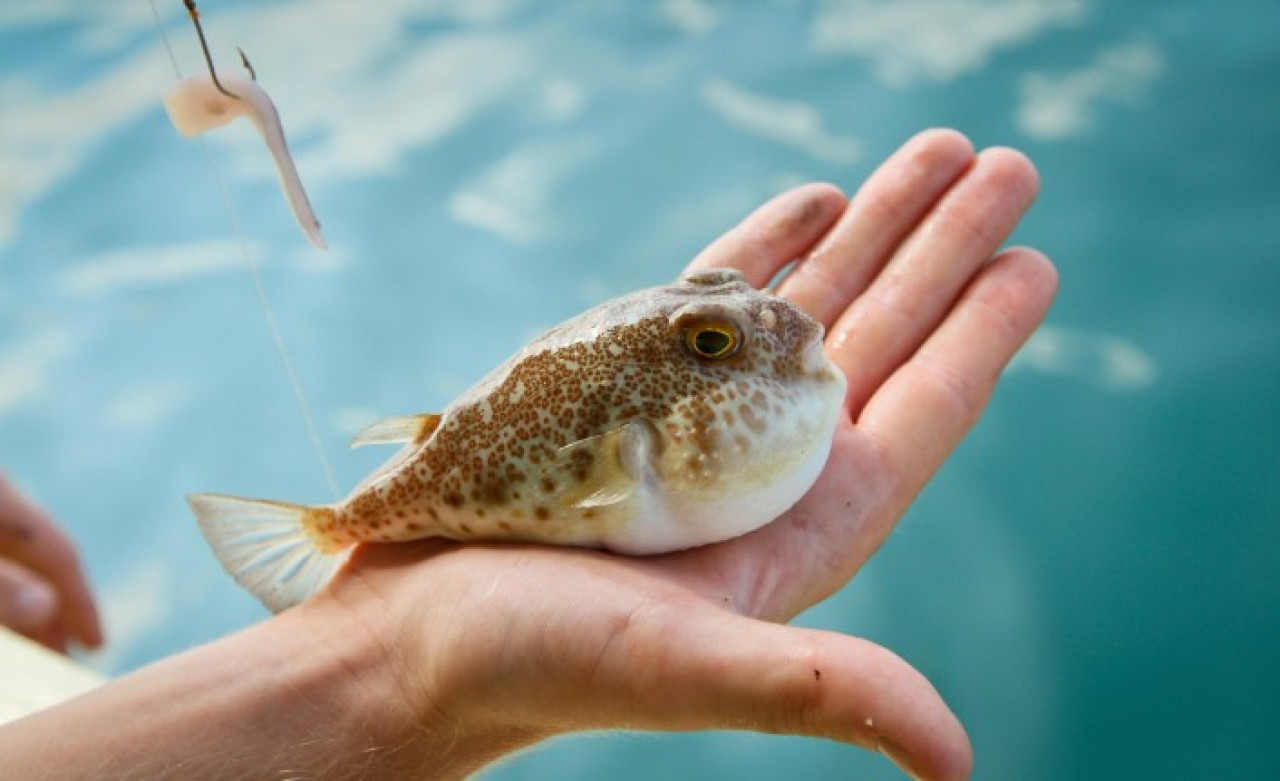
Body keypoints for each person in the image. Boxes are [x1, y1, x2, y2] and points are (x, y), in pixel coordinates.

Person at [0, 129, 1056, 781]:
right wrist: (378, 661)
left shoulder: (736, 389)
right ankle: (322, 540)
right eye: (711, 341)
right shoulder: (641, 431)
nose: (766, 332)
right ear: (671, 387)